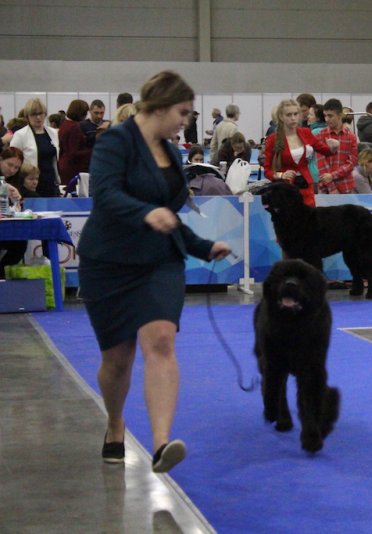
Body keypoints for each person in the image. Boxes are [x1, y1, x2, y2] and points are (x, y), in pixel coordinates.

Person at [76, 71, 232, 473]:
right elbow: (105, 194)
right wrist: (145, 212)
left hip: (160, 262)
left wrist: (202, 246)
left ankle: (161, 444)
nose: (186, 120)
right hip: (109, 263)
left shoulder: (171, 150)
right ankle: (115, 423)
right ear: (160, 105)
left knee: (161, 340)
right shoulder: (115, 141)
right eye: (182, 112)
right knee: (118, 361)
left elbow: (170, 213)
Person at [263, 99, 338, 206]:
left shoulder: (306, 133)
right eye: (289, 115)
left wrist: (334, 148)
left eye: (295, 114)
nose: (293, 118)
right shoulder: (272, 139)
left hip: (306, 188)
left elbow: (326, 151)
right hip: (284, 191)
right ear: (281, 117)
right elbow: (267, 170)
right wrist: (281, 175)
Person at [10, 98, 60, 197]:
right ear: (27, 116)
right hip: (30, 186)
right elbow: (13, 161)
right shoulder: (20, 135)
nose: (38, 117)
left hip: (50, 182)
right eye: (33, 114)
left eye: (41, 113)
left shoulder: (53, 133)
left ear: (45, 114)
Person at [315, 99, 358, 196]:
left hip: (346, 187)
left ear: (340, 115)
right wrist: (332, 188)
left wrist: (332, 176)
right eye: (325, 115)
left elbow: (351, 162)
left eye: (330, 116)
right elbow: (321, 165)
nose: (326, 119)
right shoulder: (320, 136)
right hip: (325, 189)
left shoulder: (351, 137)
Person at [0, 147, 25, 277]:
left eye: (16, 168)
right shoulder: (7, 184)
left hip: (5, 225)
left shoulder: (16, 180)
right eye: (9, 164)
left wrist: (18, 201)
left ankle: (2, 274)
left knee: (20, 242)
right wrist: (5, 188)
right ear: (1, 159)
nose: (12, 170)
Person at [57, 99, 91, 186]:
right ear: (80, 113)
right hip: (72, 168)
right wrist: (91, 151)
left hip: (63, 165)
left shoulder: (65, 124)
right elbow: (73, 153)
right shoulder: (74, 128)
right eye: (85, 113)